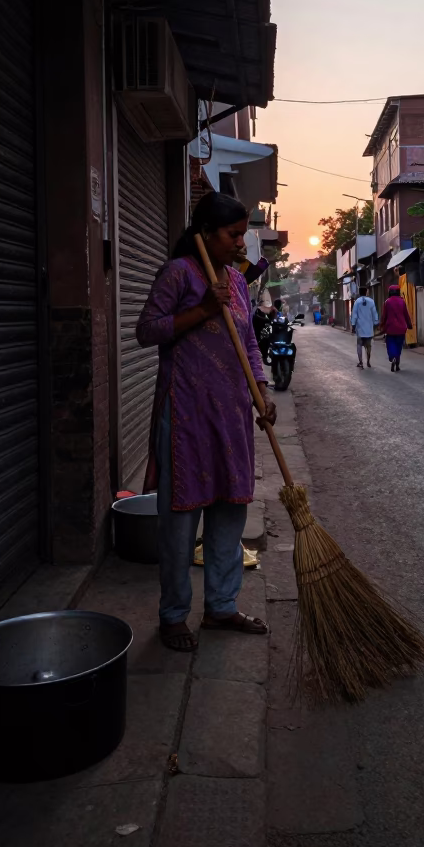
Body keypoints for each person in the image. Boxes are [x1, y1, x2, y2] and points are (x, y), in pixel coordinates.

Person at [136, 192, 277, 652]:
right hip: (186, 418)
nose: (240, 244)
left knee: (229, 515)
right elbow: (147, 330)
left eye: (242, 234)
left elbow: (250, 343)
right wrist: (201, 310)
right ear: (206, 233)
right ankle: (173, 616)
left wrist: (261, 391)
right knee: (180, 523)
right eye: (233, 234)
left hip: (233, 415)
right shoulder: (178, 273)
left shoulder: (236, 282)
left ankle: (221, 607)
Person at [380, 283, 413, 372]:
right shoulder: (402, 301)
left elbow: (384, 316)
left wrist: (381, 325)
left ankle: (392, 357)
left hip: (390, 328)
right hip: (401, 328)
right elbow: (406, 315)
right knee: (399, 346)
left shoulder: (387, 302)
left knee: (391, 344)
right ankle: (397, 362)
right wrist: (409, 325)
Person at [350, 290, 379, 369]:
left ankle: (360, 362)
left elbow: (354, 315)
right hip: (369, 328)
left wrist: (353, 325)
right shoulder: (371, 301)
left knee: (359, 344)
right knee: (368, 346)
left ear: (359, 293)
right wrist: (376, 323)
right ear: (366, 292)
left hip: (360, 328)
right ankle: (368, 361)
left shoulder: (357, 302)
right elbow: (374, 313)